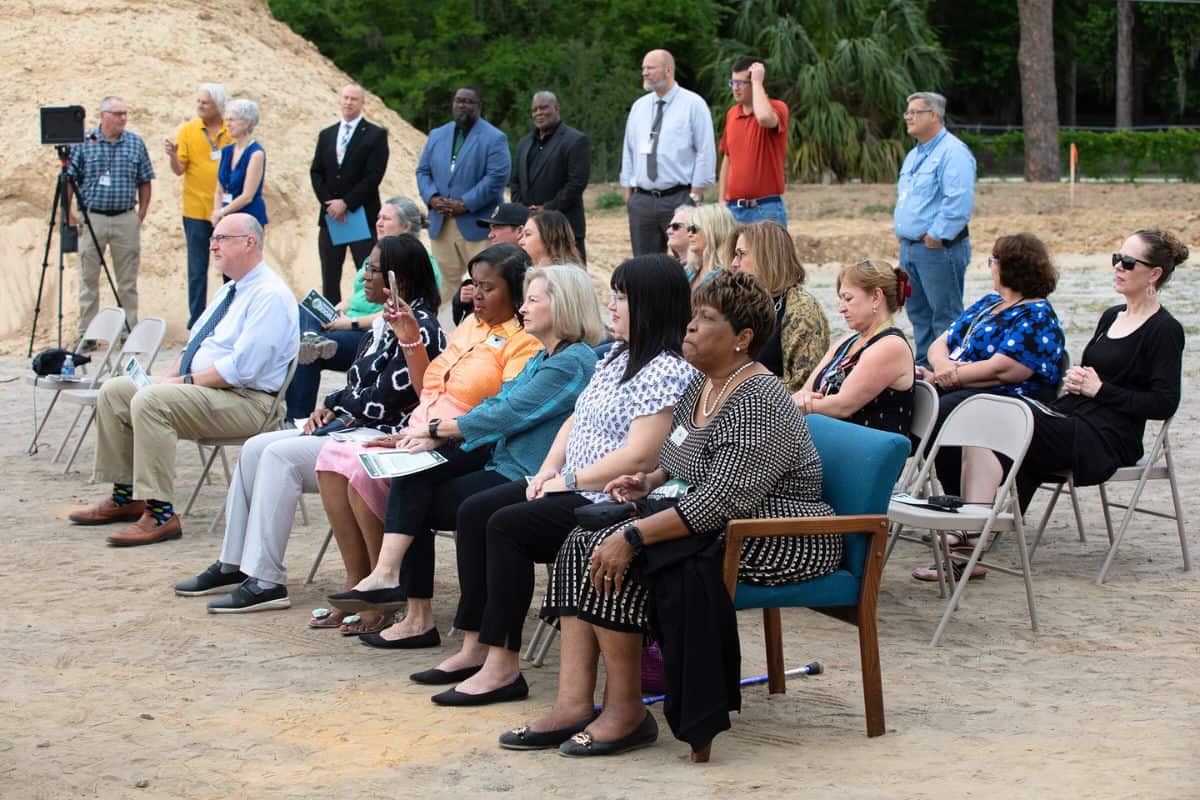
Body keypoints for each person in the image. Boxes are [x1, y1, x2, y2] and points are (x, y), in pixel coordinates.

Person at [503, 270, 842, 759]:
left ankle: (626, 712)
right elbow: (683, 460)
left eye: (706, 319)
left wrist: (635, 536)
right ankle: (574, 703)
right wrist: (650, 482)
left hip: (776, 533)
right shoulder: (705, 385)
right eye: (693, 316)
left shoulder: (759, 401)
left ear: (742, 339)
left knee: (616, 548)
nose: (689, 327)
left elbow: (719, 501)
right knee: (581, 538)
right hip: (718, 519)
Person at [412, 254, 696, 707]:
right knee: (476, 510)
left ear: (652, 304)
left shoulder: (668, 369)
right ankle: (477, 646)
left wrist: (568, 479)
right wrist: (548, 469)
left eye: (623, 296)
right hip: (572, 482)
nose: (613, 304)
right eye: (614, 294)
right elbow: (575, 421)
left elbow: (641, 455)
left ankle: (503, 667)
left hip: (609, 496)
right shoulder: (618, 355)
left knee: (506, 526)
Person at [326, 265, 605, 646]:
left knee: (454, 506)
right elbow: (498, 404)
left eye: (533, 300)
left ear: (564, 307)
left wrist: (438, 431)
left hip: (522, 472)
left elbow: (509, 413)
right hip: (497, 456)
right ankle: (400, 593)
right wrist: (432, 438)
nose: (523, 308)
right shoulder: (544, 355)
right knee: (413, 475)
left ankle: (438, 620)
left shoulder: (572, 361)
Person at [173, 234, 446, 613]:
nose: (364, 276)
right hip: (352, 426)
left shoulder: (422, 327)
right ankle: (234, 563)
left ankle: (266, 580)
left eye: (372, 269)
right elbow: (357, 385)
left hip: (380, 436)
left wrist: (342, 409)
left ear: (400, 278)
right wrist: (330, 407)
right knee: (255, 447)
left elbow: (392, 398)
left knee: (279, 457)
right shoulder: (383, 323)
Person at [314, 244, 543, 634]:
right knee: (348, 463)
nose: (476, 295)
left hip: (473, 440)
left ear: (517, 292)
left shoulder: (524, 341)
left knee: (405, 473)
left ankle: (390, 589)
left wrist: (436, 434)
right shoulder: (470, 325)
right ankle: (380, 589)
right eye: (474, 285)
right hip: (425, 428)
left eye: (489, 288)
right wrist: (409, 338)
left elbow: (503, 414)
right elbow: (426, 389)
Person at [947, 230, 1186, 580]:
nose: (1118, 267)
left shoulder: (1165, 330)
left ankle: (971, 538)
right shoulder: (1111, 316)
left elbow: (1165, 403)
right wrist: (1079, 380)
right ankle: (973, 533)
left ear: (1154, 275)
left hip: (1108, 437)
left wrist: (1100, 389)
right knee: (984, 419)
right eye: (1116, 258)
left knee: (995, 416)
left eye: (1129, 262)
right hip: (1074, 415)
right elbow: (1095, 379)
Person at [67, 214, 298, 546]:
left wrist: (177, 384)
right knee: (117, 390)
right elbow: (195, 344)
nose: (212, 245)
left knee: (151, 400)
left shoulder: (269, 295)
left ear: (249, 242)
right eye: (212, 239)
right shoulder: (231, 291)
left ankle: (161, 514)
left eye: (221, 238)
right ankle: (127, 494)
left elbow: (241, 369)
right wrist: (166, 376)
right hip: (211, 393)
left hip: (249, 402)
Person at [912, 233, 1066, 560]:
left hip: (1007, 400)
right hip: (962, 385)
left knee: (945, 413)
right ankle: (954, 509)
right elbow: (942, 341)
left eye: (994, 261)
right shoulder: (988, 304)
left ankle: (963, 514)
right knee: (916, 399)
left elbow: (1007, 370)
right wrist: (943, 368)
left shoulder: (1036, 314)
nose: (990, 267)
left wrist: (949, 375)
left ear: (1011, 267)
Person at [287, 197, 443, 419]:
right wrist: (337, 310)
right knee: (306, 312)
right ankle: (312, 339)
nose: (378, 222)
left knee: (272, 450)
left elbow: (383, 398)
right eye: (378, 217)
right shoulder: (377, 255)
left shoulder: (412, 322)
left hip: (360, 329)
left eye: (386, 218)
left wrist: (348, 323)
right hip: (356, 326)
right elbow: (356, 297)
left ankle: (296, 417)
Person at [893, 91, 976, 366]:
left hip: (938, 250)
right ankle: (924, 368)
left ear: (934, 115)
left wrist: (937, 236)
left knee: (945, 316)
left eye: (914, 112)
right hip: (911, 248)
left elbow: (958, 201)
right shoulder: (914, 155)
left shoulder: (952, 153)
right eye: (907, 112)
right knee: (918, 314)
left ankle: (947, 371)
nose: (908, 117)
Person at [65, 95, 155, 339]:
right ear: (103, 115)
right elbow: (69, 180)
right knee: (88, 279)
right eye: (117, 114)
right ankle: (88, 334)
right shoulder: (84, 142)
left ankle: (128, 332)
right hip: (93, 217)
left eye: (125, 113)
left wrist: (141, 214)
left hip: (126, 217)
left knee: (127, 280)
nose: (123, 118)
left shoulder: (135, 143)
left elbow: (145, 180)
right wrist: (69, 213)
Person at [794, 259, 915, 436]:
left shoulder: (890, 346)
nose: (841, 309)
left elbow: (842, 405)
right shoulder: (848, 341)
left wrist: (798, 407)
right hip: (831, 437)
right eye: (841, 299)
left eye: (848, 299)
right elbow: (806, 390)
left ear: (876, 297)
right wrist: (799, 400)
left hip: (864, 450)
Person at [416, 87, 511, 304]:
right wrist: (432, 198)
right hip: (442, 223)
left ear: (479, 106)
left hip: (477, 224)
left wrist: (465, 203)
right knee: (445, 283)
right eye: (459, 101)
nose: (462, 105)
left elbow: (496, 177)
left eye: (469, 102)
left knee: (484, 280)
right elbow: (423, 171)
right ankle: (446, 328)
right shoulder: (437, 135)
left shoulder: (495, 138)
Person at [620, 50, 716, 256]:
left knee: (689, 261)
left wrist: (695, 195)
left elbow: (705, 151)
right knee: (645, 267)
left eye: (650, 68)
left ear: (668, 70)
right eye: (643, 68)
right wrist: (629, 193)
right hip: (643, 201)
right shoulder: (639, 107)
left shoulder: (693, 104)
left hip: (679, 197)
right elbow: (629, 151)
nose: (645, 73)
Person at [310, 83, 389, 305]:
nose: (348, 102)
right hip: (330, 218)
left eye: (353, 99)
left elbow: (374, 176)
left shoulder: (375, 135)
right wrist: (330, 205)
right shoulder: (327, 134)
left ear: (362, 103)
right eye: (345, 97)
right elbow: (316, 172)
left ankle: (365, 316)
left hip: (360, 214)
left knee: (367, 271)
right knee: (330, 275)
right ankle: (329, 321)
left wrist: (346, 203)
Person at [730, 221, 829, 390]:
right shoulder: (745, 302)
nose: (734, 263)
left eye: (741, 254)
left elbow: (802, 384)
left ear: (766, 258)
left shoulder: (802, 310)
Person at [164, 83, 230, 329]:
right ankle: (197, 321)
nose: (200, 106)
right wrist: (172, 155)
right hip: (195, 210)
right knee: (197, 268)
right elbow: (179, 169)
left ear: (219, 106)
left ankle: (228, 317)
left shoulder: (230, 129)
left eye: (206, 103)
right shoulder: (188, 130)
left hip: (226, 210)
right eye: (199, 102)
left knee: (230, 268)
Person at [510, 91, 591, 261]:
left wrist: (546, 209)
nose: (539, 113)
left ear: (556, 108)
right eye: (534, 109)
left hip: (564, 228)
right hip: (529, 228)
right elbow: (516, 181)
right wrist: (523, 211)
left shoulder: (575, 140)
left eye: (544, 108)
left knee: (568, 283)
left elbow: (576, 183)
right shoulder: (524, 143)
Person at [718, 58, 789, 228]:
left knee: (769, 256)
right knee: (733, 255)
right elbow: (728, 158)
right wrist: (722, 200)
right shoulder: (732, 114)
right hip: (734, 209)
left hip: (766, 208)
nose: (735, 88)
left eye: (741, 82)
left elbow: (765, 118)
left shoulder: (777, 108)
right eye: (733, 82)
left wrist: (757, 82)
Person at [213, 99, 267, 227]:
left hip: (247, 218)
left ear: (246, 123)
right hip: (226, 217)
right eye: (227, 120)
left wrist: (221, 212)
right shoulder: (226, 151)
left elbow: (247, 196)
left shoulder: (256, 154)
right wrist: (217, 212)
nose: (228, 124)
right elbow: (219, 189)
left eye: (232, 120)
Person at [685, 204, 737, 291]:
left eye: (694, 229)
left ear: (715, 231)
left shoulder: (728, 276)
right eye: (688, 229)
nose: (689, 234)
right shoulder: (690, 271)